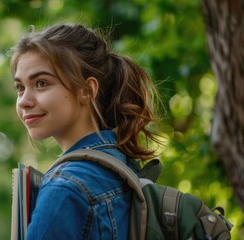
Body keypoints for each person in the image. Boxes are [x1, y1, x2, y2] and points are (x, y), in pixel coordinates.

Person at [10, 23, 160, 239]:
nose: (24, 101)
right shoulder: (123, 166)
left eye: (41, 83)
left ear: (86, 91)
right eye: (20, 88)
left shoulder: (65, 189)